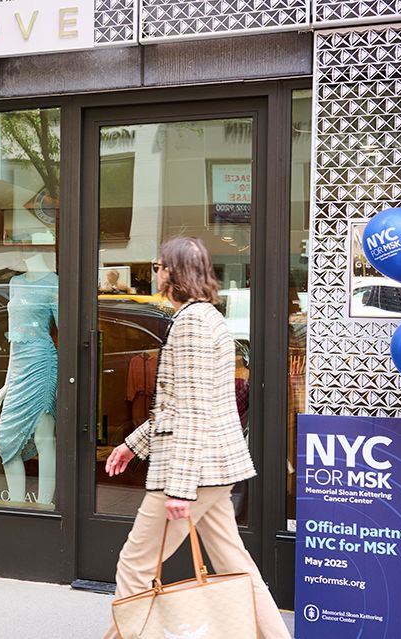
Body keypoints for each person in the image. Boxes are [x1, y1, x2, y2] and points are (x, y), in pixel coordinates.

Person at [103, 237, 291, 639]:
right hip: (214, 469)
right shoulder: (207, 317)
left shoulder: (191, 323)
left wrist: (180, 488)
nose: (155, 272)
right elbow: (180, 405)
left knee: (135, 564)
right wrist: (130, 445)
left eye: (160, 265)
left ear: (174, 273)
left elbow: (191, 411)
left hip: (195, 472)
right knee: (235, 565)